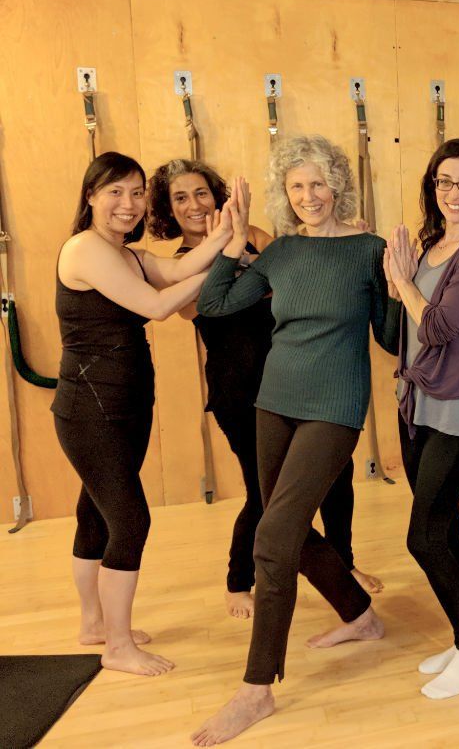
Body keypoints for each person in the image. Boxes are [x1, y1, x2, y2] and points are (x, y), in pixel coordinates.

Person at [190, 135, 393, 746]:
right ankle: (360, 616)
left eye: (318, 183)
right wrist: (231, 244)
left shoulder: (368, 250)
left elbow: (389, 337)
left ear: (338, 186)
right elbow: (214, 303)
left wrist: (400, 282)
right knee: (289, 530)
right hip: (273, 401)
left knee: (273, 536)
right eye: (297, 186)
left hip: (335, 406)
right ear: (285, 193)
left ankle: (256, 690)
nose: (308, 196)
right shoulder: (279, 252)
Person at [147, 159, 382, 621]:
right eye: (180, 198)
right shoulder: (176, 265)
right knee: (265, 496)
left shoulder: (254, 236)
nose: (194, 205)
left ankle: (344, 566)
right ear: (168, 209)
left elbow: (299, 271)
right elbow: (203, 306)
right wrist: (234, 254)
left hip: (293, 377)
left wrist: (341, 244)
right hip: (238, 389)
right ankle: (239, 580)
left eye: (201, 193)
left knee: (337, 478)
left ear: (218, 197)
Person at [54, 152, 231, 676]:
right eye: (115, 192)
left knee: (96, 513)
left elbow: (175, 268)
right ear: (91, 196)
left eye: (136, 193)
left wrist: (224, 235)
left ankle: (94, 623)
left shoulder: (126, 254)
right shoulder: (85, 248)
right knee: (130, 520)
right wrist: (225, 262)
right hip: (91, 408)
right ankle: (117, 646)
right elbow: (157, 305)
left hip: (124, 404)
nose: (128, 204)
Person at [383, 139, 459, 699]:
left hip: (456, 407)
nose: (454, 193)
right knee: (444, 524)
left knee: (424, 535)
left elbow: (435, 329)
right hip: (415, 403)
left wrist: (404, 283)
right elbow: (401, 329)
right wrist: (398, 284)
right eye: (444, 182)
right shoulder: (430, 246)